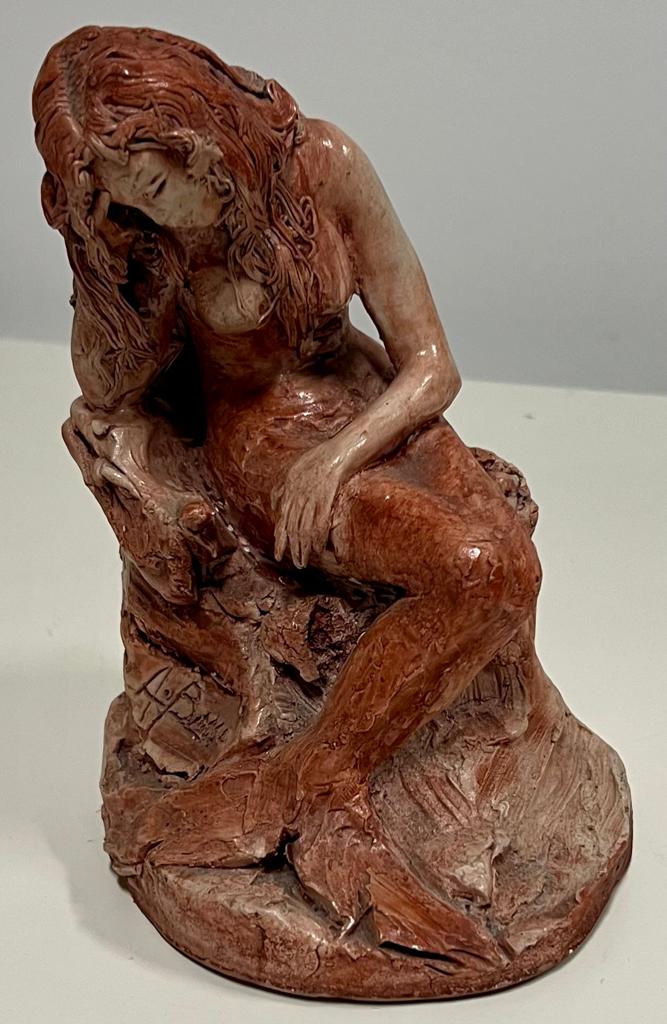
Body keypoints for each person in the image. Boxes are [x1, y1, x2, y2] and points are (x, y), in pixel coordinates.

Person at [33, 26, 541, 875]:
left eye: (154, 185)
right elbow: (105, 386)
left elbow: (432, 365)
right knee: (476, 568)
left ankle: (322, 775)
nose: (152, 213)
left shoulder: (322, 166)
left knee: (509, 569)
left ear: (193, 136)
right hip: (264, 441)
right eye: (129, 202)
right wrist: (99, 258)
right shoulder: (152, 239)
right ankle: (324, 780)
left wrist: (339, 456)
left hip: (369, 411)